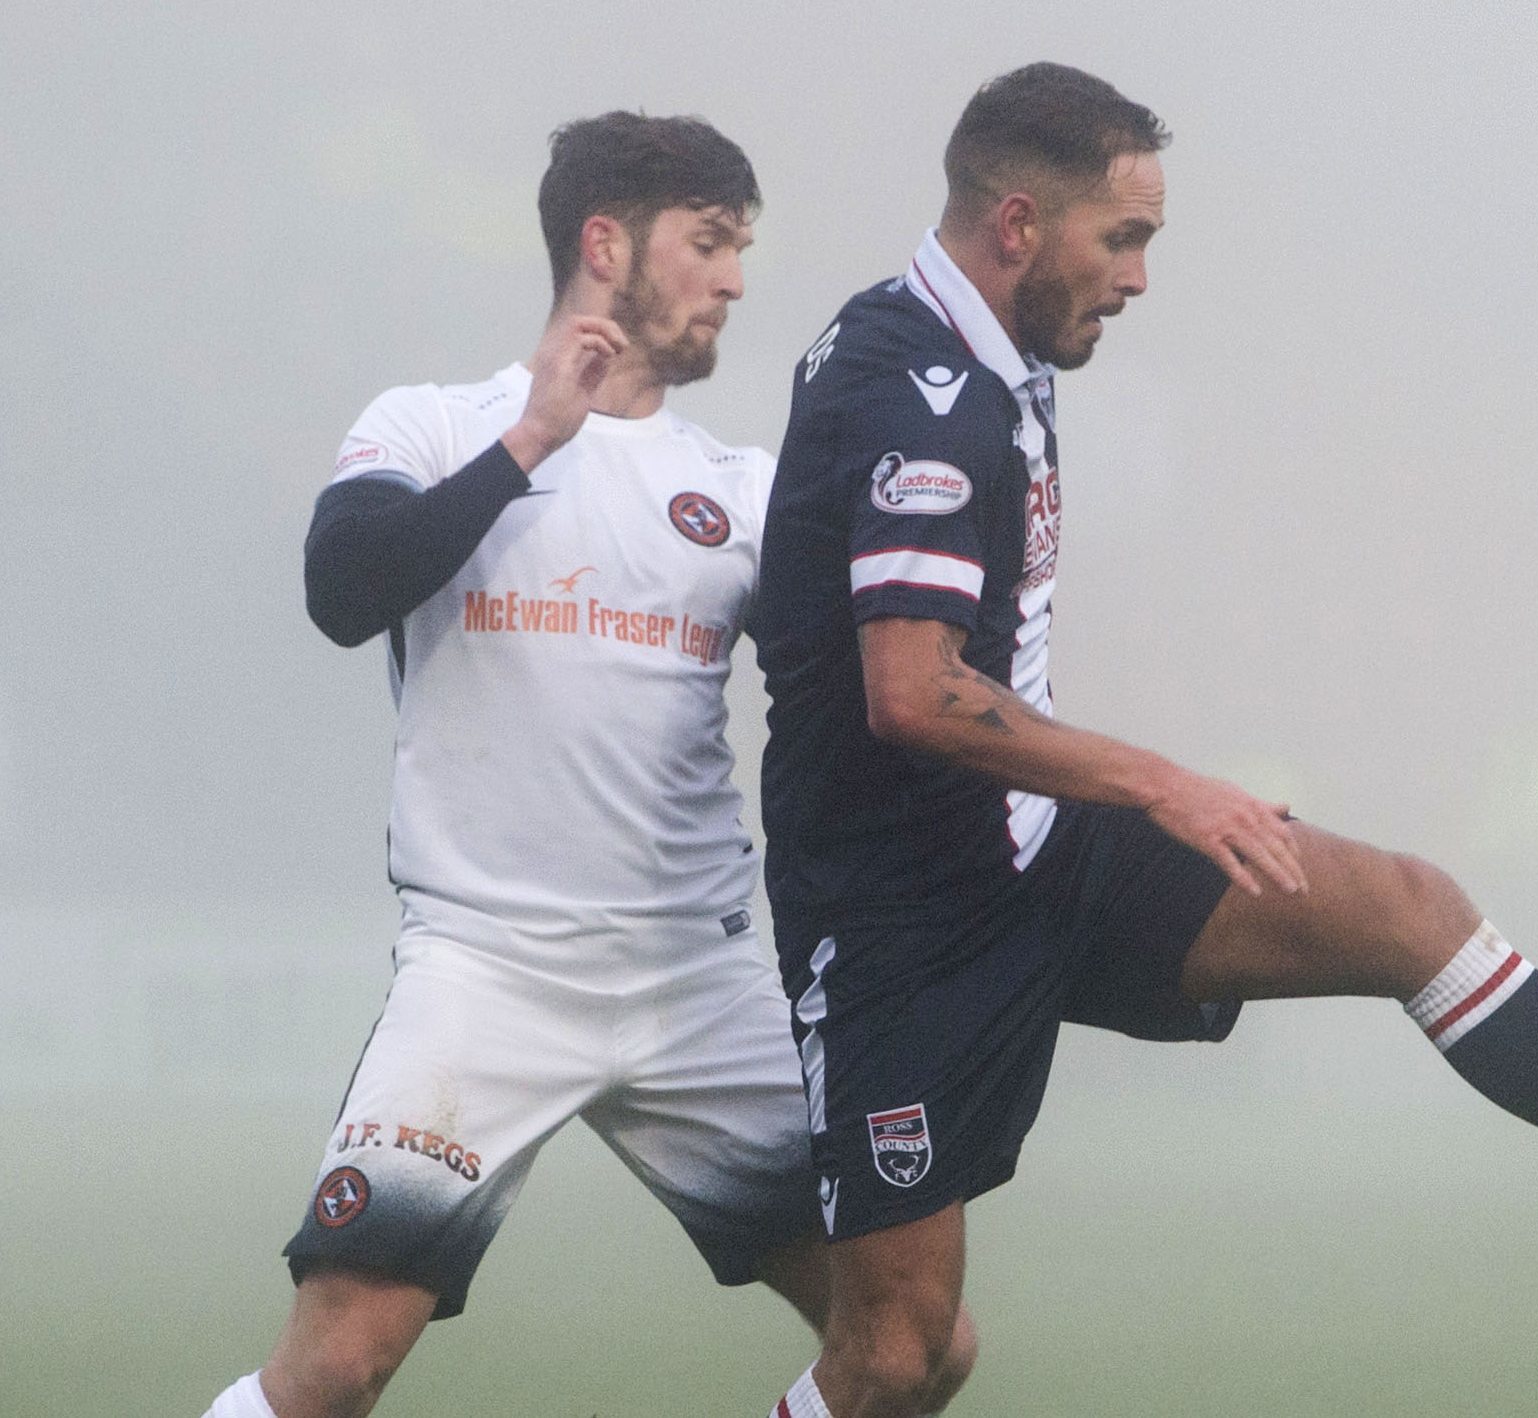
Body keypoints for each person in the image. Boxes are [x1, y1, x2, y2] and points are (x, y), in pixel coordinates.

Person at [749, 62, 1538, 1418]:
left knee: (1410, 911)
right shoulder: (917, 390)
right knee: (901, 1354)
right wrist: (1166, 784)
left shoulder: (992, 351)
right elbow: (914, 691)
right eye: (1122, 240)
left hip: (1037, 850)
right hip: (901, 924)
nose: (1136, 278)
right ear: (1015, 225)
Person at [201, 112, 972, 1418]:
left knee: (916, 1345)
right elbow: (344, 591)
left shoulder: (744, 485)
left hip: (702, 982)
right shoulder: (435, 423)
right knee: (334, 1366)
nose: (734, 276)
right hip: (488, 973)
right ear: (605, 243)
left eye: (742, 248)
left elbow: (865, 704)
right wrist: (530, 444)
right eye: (710, 241)